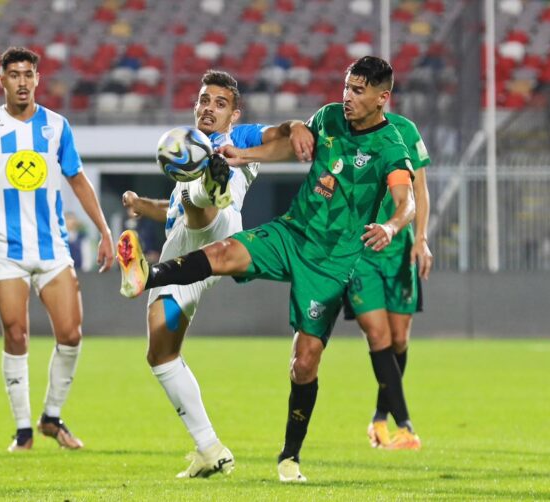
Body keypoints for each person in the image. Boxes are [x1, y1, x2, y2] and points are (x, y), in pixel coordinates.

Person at [117, 56, 416, 482]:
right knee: (180, 319)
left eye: (357, 90)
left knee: (305, 362)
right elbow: (293, 143)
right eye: (346, 87)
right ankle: (153, 272)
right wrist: (144, 204)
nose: (346, 96)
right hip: (289, 233)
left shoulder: (390, 146)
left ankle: (289, 456)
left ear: (382, 97)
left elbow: (407, 201)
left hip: (328, 260)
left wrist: (390, 224)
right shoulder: (330, 117)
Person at [117, 69, 313, 479]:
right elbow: (173, 216)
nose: (209, 108)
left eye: (219, 104)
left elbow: (277, 133)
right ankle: (210, 449)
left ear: (233, 115)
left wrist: (295, 126)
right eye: (204, 101)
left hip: (218, 228)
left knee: (197, 198)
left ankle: (212, 185)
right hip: (185, 247)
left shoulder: (236, 140)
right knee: (161, 352)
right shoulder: (188, 151)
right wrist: (141, 205)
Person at [0, 47, 114, 452]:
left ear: (38, 80)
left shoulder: (56, 126)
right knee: (16, 333)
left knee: (72, 334)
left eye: (29, 74)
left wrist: (105, 231)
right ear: (2, 81)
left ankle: (52, 417)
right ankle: (23, 429)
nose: (22, 81)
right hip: (5, 248)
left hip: (53, 247)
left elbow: (78, 180)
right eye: (14, 74)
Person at [344, 112, 432, 450]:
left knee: (399, 337)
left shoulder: (406, 130)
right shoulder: (341, 131)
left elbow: (419, 190)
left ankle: (380, 418)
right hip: (360, 252)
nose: (352, 97)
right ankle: (405, 425)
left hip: (399, 250)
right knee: (377, 334)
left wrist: (421, 238)